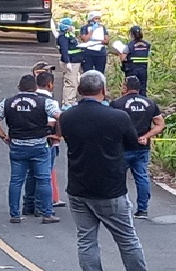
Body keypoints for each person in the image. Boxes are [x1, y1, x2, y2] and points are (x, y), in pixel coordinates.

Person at [59, 70, 147, 271]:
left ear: (80, 90)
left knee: (86, 240)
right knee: (127, 240)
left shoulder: (67, 117)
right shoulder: (118, 117)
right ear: (103, 89)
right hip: (110, 189)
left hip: (78, 188)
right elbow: (134, 145)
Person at [0, 74, 62, 224]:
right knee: (44, 180)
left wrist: (3, 136)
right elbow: (59, 116)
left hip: (17, 145)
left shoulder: (8, 102)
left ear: (18, 87)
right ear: (35, 88)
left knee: (16, 180)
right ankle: (47, 213)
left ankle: (15, 214)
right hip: (39, 146)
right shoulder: (44, 102)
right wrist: (58, 135)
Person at [111, 76, 165, 219]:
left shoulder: (117, 104)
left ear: (125, 87)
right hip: (142, 146)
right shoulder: (150, 103)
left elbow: (111, 124)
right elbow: (160, 124)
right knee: (142, 177)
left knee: (118, 177)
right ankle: (143, 209)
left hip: (123, 147)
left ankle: (121, 208)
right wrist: (147, 136)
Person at [22, 71, 66, 216]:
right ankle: (41, 207)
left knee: (30, 174)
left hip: (25, 139)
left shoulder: (30, 99)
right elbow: (55, 120)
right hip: (45, 141)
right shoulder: (49, 101)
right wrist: (58, 135)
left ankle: (28, 204)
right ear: (50, 84)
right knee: (44, 175)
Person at [56, 17, 83, 108]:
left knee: (74, 82)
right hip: (71, 62)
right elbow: (64, 50)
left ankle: (72, 100)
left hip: (75, 62)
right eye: (71, 25)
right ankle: (67, 102)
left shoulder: (69, 35)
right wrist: (67, 62)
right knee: (70, 83)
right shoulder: (63, 37)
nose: (72, 27)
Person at [120, 26, 151, 96]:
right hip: (143, 70)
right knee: (142, 89)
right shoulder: (147, 45)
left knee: (131, 89)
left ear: (131, 34)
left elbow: (123, 58)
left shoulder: (129, 45)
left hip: (132, 70)